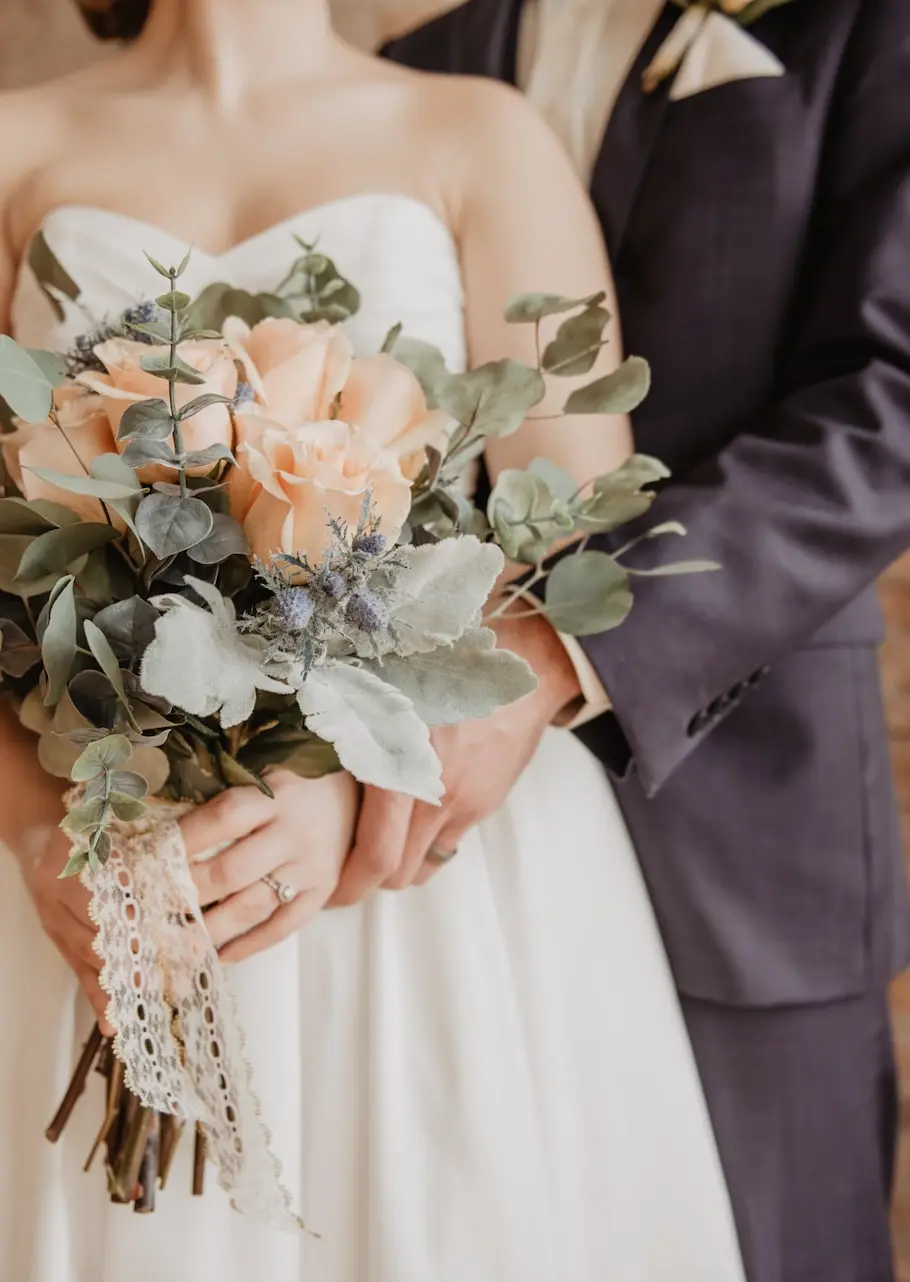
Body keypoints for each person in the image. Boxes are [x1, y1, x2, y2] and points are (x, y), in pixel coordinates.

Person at [0, 1, 747, 1279]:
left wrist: (357, 766)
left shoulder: (479, 135)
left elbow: (576, 541)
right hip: (105, 863)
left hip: (424, 880)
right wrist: (32, 825)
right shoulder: (15, 144)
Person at [380, 2, 910, 1280]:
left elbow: (888, 403)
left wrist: (566, 647)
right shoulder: (417, 66)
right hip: (439, 870)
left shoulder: (866, 27)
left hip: (746, 815)